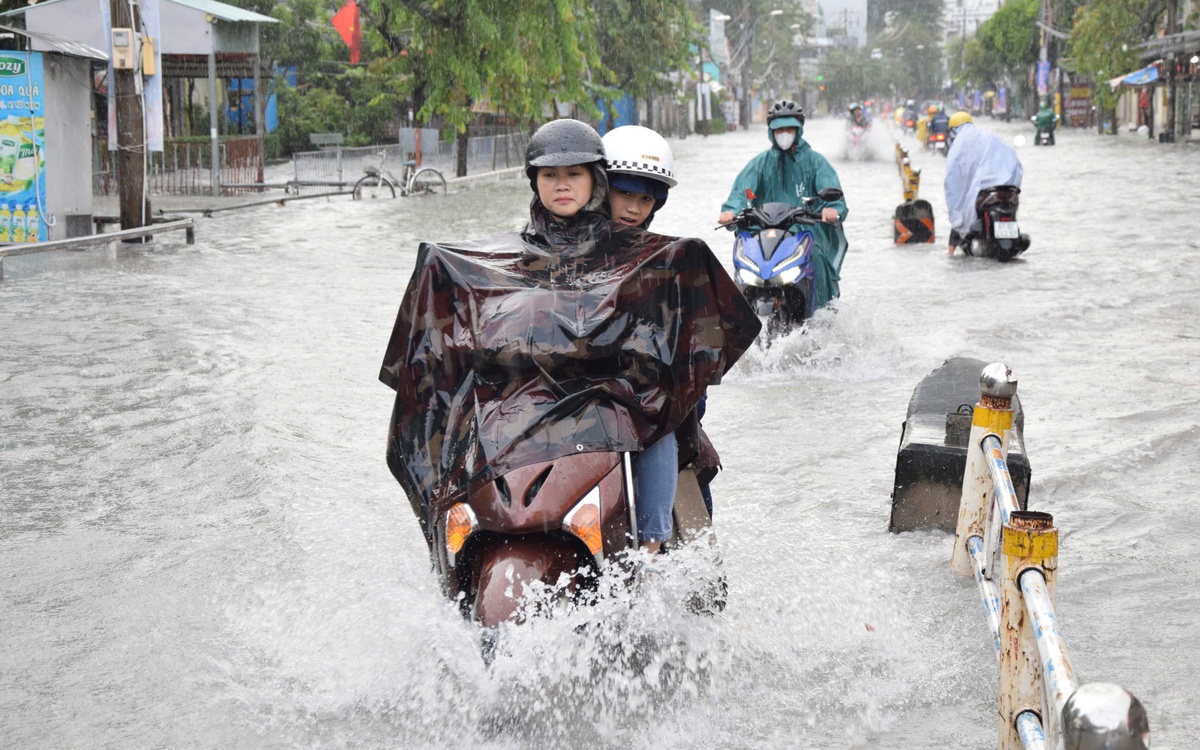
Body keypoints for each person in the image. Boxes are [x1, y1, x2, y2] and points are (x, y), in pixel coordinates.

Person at [717, 98, 849, 310]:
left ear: (799, 130)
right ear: (771, 132)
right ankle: (739, 315)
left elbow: (833, 194)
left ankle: (822, 315)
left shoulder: (815, 162)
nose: (784, 134)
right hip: (764, 232)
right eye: (779, 130)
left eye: (789, 129)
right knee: (743, 264)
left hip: (803, 233)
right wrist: (731, 211)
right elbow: (741, 191)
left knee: (816, 258)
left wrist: (832, 209)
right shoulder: (761, 163)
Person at [943, 111, 1023, 256]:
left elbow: (954, 178)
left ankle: (950, 253)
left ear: (953, 129)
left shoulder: (959, 144)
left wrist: (956, 213)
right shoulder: (989, 136)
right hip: (1006, 188)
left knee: (961, 217)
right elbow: (1014, 161)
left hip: (983, 191)